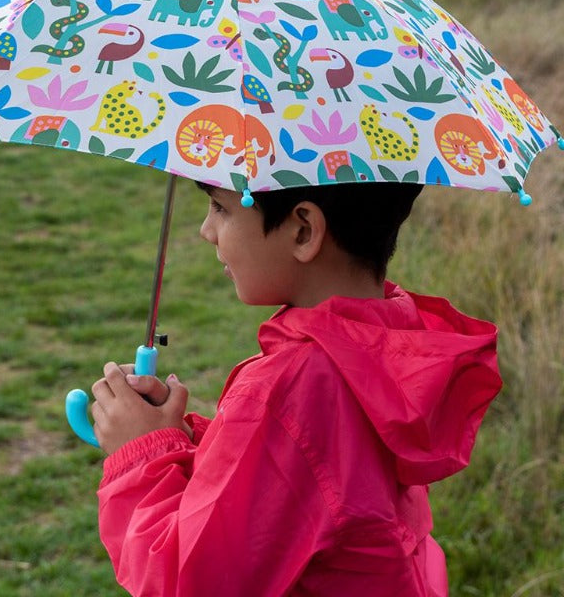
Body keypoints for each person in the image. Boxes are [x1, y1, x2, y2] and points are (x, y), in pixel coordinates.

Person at [91, 181, 502, 596]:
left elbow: (189, 580)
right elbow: (307, 482)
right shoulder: (383, 349)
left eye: (220, 208)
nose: (206, 229)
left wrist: (144, 453)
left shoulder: (292, 389)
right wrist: (186, 438)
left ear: (303, 230)